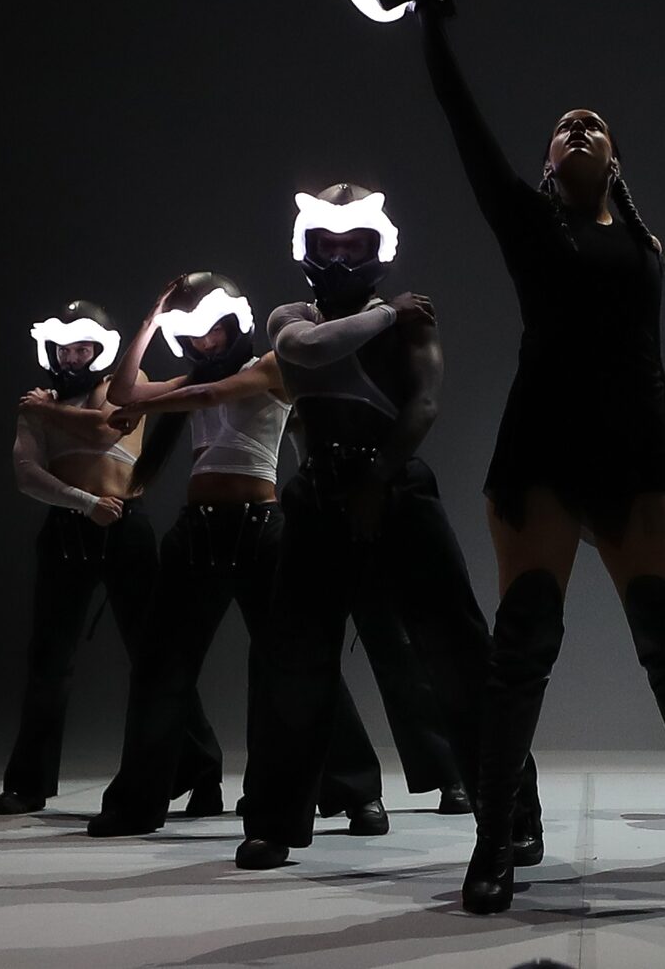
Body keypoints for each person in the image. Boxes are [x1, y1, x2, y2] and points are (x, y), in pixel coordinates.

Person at [419, 0, 665, 915]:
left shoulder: (641, 244)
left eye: (593, 125)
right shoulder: (531, 224)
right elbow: (460, 119)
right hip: (541, 449)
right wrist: (429, 19)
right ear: (546, 160)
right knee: (519, 646)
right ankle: (492, 843)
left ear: (614, 160)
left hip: (639, 451)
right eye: (563, 127)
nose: (577, 128)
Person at [232, 183, 541, 869]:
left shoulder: (415, 322)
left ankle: (513, 812)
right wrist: (383, 317)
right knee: (291, 661)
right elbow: (306, 352)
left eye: (354, 244)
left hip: (396, 485)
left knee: (458, 657)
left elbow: (424, 404)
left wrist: (378, 480)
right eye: (326, 244)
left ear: (379, 249)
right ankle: (274, 821)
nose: (339, 257)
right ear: (305, 247)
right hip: (317, 492)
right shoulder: (294, 315)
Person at [80, 275, 386, 838]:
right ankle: (137, 802)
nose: (201, 344)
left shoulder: (273, 366)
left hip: (261, 530)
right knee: (159, 670)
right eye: (189, 335)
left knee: (296, 665)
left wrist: (153, 400)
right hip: (196, 533)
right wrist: (151, 317)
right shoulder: (188, 376)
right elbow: (123, 392)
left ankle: (356, 789)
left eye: (210, 330)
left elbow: (203, 397)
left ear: (234, 323)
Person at [0, 299, 222, 817]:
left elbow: (103, 428)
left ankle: (202, 768)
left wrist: (45, 412)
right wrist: (85, 503)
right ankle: (27, 783)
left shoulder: (120, 382)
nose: (72, 356)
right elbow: (26, 474)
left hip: (124, 529)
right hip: (70, 529)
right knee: (48, 661)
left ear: (100, 348)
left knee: (155, 657)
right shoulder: (42, 402)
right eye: (64, 347)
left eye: (82, 346)